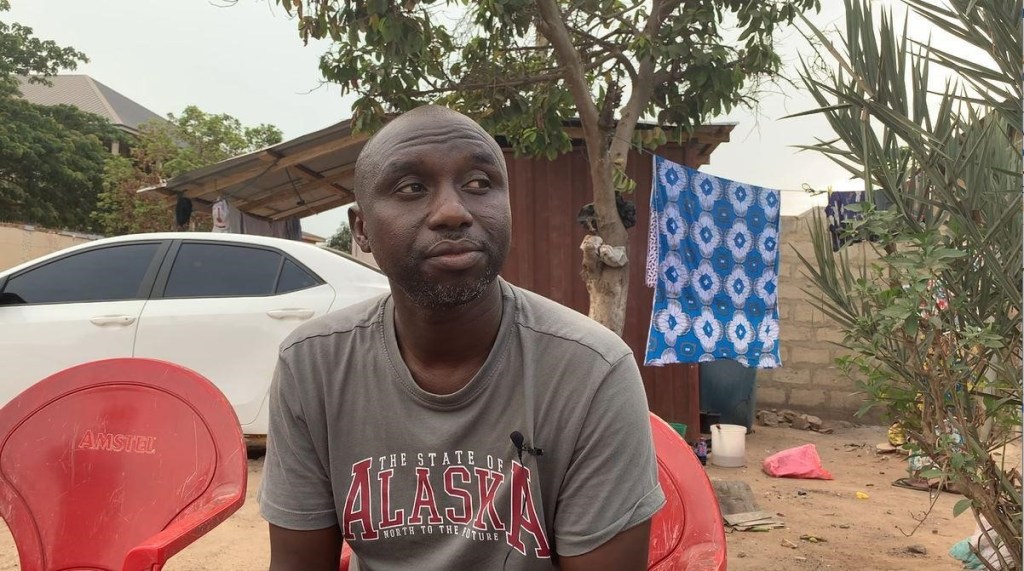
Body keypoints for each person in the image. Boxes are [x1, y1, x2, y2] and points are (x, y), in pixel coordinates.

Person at [258, 105, 664, 570]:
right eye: (411, 188)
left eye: (478, 184)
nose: (453, 212)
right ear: (362, 229)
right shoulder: (313, 366)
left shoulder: (591, 371)